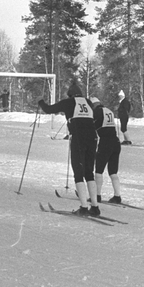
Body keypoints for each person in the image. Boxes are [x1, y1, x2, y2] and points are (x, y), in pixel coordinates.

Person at [38, 79, 102, 216]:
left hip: (79, 138)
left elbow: (49, 109)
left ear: (70, 95)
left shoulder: (68, 102)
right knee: (89, 172)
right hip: (92, 138)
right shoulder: (88, 102)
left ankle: (84, 207)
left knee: (78, 172)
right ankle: (95, 207)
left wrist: (41, 102)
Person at [93, 97, 125, 204]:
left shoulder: (97, 111)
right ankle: (117, 196)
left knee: (98, 170)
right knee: (113, 171)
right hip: (115, 142)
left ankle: (97, 195)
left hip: (105, 142)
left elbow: (92, 125)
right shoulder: (108, 110)